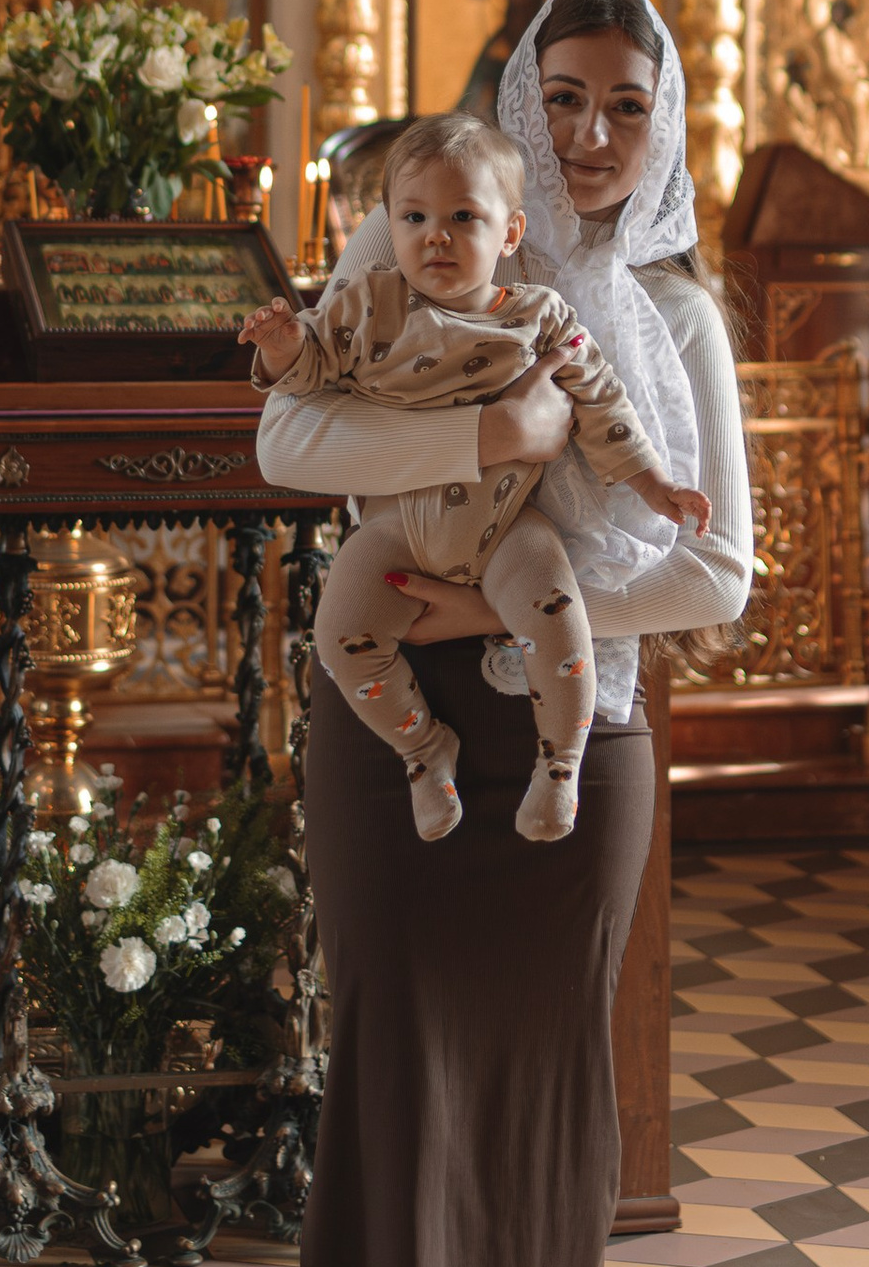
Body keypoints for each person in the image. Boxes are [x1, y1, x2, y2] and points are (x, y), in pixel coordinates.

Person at [258, 0, 753, 1267]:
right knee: (390, 1050)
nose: (593, 135)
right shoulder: (422, 234)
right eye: (568, 97)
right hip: (391, 721)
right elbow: (288, 443)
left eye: (629, 107)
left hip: (573, 727)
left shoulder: (681, 311)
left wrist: (509, 613)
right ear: (523, 99)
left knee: (543, 1076)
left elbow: (720, 572)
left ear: (668, 122)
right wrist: (489, 432)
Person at [243, 113, 708, 845]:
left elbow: (604, 404)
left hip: (506, 531)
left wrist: (655, 486)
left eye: (464, 217)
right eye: (416, 217)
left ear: (510, 233)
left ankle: (560, 770)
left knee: (558, 619)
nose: (437, 235)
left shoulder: (541, 318)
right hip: (396, 531)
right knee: (340, 637)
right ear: (390, 225)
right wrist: (279, 346)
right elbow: (306, 376)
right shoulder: (367, 304)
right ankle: (424, 752)